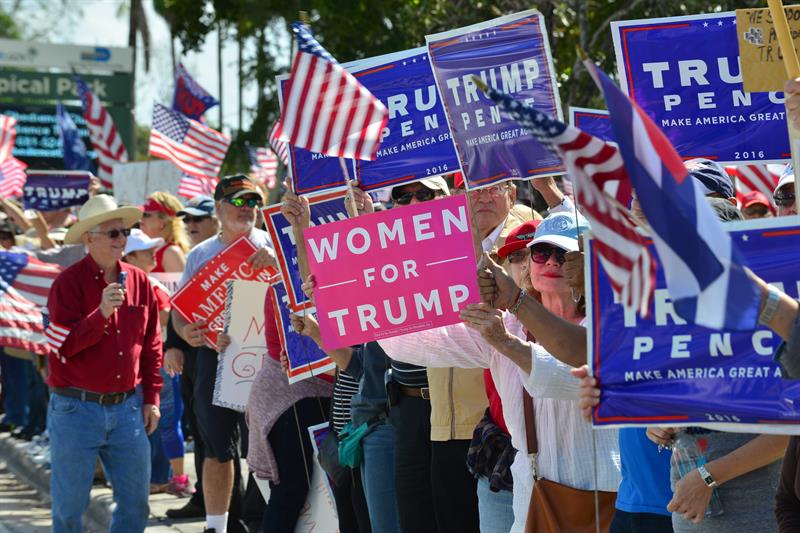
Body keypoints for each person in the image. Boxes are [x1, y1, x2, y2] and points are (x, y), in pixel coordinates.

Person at [45, 194, 163, 533]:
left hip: (127, 406)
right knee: (69, 509)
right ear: (89, 238)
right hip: (75, 409)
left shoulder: (139, 280)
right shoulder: (66, 284)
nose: (122, 240)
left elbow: (153, 342)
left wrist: (152, 398)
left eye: (124, 232)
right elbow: (62, 348)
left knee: (136, 506)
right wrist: (101, 314)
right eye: (113, 234)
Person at [172, 175, 277, 533]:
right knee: (218, 448)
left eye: (253, 202)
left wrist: (279, 265)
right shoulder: (200, 255)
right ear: (218, 208)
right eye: (237, 201)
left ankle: (264, 521)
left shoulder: (275, 243)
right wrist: (186, 332)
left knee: (266, 448)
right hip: (216, 361)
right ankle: (218, 526)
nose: (246, 209)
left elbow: (304, 294)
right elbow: (180, 311)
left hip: (270, 362)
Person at [164, 194, 222, 519]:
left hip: (235, 360)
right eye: (186, 220)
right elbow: (181, 305)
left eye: (198, 218)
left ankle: (240, 511)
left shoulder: (243, 250)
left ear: (218, 217)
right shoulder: (195, 256)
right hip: (196, 360)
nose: (191, 225)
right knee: (202, 432)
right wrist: (174, 341)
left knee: (226, 442)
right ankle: (204, 500)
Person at [139, 191, 189, 273]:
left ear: (163, 222)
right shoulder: (143, 249)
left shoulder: (171, 253)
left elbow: (182, 286)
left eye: (146, 215)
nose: (140, 220)